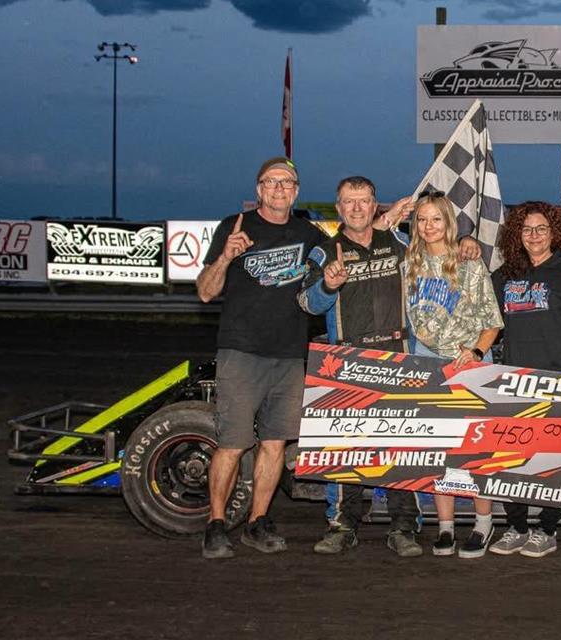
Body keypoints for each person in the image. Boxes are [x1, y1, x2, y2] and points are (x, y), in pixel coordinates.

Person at [196, 156, 325, 559]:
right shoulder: (235, 228)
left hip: (289, 355)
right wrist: (226, 257)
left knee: (273, 444)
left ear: (297, 191)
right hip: (241, 350)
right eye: (272, 182)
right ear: (259, 189)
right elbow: (204, 291)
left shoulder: (309, 234)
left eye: (288, 183)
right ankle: (215, 525)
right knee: (233, 443)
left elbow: (352, 248)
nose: (280, 189)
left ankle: (257, 522)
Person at [296, 176, 427, 558]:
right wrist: (328, 287)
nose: (356, 208)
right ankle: (342, 524)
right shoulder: (324, 253)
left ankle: (404, 527)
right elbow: (306, 303)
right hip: (347, 361)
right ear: (338, 208)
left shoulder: (401, 244)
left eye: (364, 201)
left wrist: (466, 244)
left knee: (403, 448)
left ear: (375, 206)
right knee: (345, 448)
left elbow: (439, 260)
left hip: (400, 356)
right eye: (349, 202)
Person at [488, 201, 561, 558]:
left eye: (541, 229)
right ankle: (516, 527)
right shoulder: (505, 274)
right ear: (516, 235)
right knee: (512, 458)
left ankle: (547, 529)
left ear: (554, 233)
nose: (534, 236)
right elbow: (488, 323)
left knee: (551, 459)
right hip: (516, 377)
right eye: (526, 230)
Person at [404, 192, 504, 559]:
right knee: (438, 448)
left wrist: (476, 351)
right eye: (422, 220)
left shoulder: (469, 263)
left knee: (476, 449)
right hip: (426, 360)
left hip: (470, 359)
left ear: (449, 222)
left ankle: (483, 522)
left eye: (436, 219)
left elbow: (492, 322)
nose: (429, 227)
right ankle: (445, 527)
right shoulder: (409, 263)